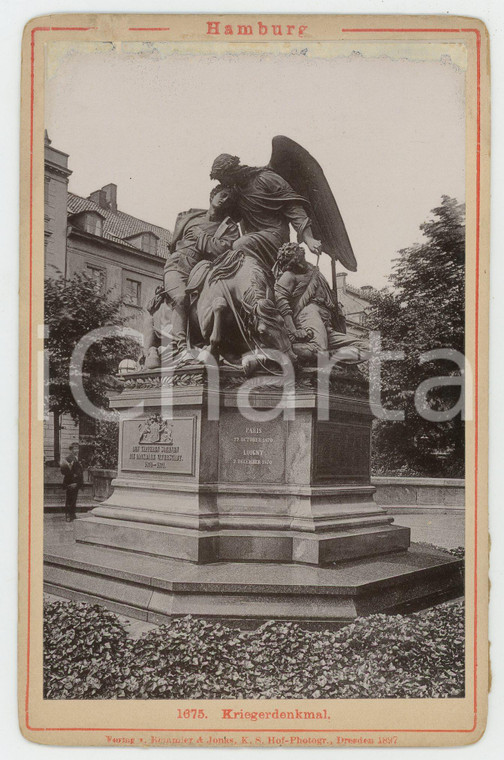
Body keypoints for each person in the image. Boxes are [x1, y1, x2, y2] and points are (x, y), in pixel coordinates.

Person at [160, 184, 240, 364]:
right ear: (213, 195)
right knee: (181, 299)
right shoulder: (190, 217)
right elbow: (175, 243)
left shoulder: (229, 227)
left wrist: (201, 237)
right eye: (223, 194)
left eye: (229, 199)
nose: (224, 199)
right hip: (177, 265)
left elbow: (224, 250)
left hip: (202, 271)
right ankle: (181, 349)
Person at [209, 153, 323, 277]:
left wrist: (308, 238)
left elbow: (293, 206)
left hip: (275, 234)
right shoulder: (236, 191)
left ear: (230, 172)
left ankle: (259, 282)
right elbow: (230, 218)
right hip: (254, 237)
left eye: (222, 179)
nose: (222, 183)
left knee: (240, 245)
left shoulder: (265, 178)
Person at [273, 242, 368, 364]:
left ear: (302, 254)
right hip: (309, 315)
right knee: (320, 349)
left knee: (367, 348)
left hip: (326, 321)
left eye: (299, 259)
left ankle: (324, 355)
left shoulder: (315, 272)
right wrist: (293, 330)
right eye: (293, 263)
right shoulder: (289, 275)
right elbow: (280, 301)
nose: (298, 264)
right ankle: (278, 352)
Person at [60, 443, 84, 522]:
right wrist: (72, 481)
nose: (76, 450)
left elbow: (80, 471)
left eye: (77, 448)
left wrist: (79, 482)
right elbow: (63, 471)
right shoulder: (67, 459)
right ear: (71, 450)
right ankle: (68, 515)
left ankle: (72, 514)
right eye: (74, 449)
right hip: (71, 482)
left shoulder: (78, 459)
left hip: (76, 482)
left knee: (74, 499)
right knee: (69, 499)